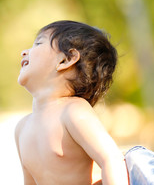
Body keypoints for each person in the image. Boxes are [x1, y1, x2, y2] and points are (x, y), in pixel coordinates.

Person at [15, 20, 129, 185]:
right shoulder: (22, 128)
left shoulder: (73, 111)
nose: (24, 52)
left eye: (38, 43)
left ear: (65, 60)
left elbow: (111, 159)